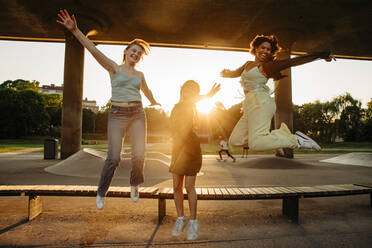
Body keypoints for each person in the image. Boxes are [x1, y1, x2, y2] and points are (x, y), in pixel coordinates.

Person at [56, 10, 160, 209]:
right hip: (117, 115)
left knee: (139, 155)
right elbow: (94, 51)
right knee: (113, 158)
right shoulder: (114, 68)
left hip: (138, 114)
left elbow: (146, 90)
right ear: (126, 51)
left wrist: (154, 101)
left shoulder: (140, 75)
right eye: (133, 50)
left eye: (139, 53)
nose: (136, 54)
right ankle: (102, 192)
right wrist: (76, 31)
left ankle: (135, 183)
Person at [220, 34, 335, 154]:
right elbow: (236, 73)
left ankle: (298, 140)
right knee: (236, 140)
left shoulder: (267, 66)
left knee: (256, 144)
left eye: (268, 49)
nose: (265, 51)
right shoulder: (247, 64)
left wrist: (322, 55)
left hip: (261, 103)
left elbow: (294, 61)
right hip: (249, 106)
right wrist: (226, 73)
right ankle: (276, 139)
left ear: (271, 52)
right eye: (262, 48)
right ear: (255, 48)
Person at [169, 80, 220, 240]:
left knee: (189, 187)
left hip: (190, 148)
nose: (188, 92)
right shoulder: (176, 106)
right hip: (177, 148)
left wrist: (208, 95)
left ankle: (193, 221)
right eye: (186, 88)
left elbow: (195, 99)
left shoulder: (191, 104)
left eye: (193, 90)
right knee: (176, 186)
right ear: (182, 89)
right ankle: (181, 218)